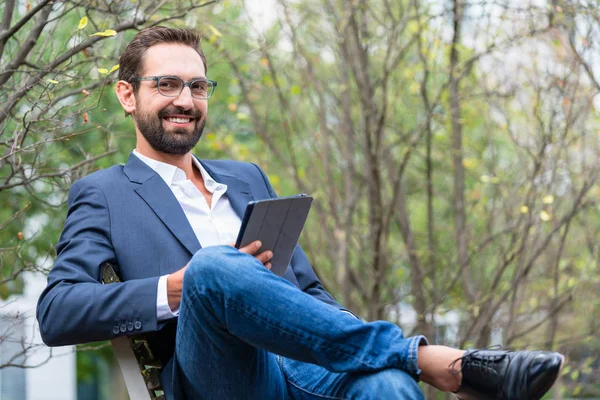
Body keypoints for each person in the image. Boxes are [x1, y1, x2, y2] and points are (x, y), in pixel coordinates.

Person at [37, 26, 564, 400]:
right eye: (167, 84)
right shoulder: (103, 194)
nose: (186, 99)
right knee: (215, 266)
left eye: (198, 86)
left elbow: (309, 292)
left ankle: (407, 364)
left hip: (305, 366)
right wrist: (177, 288)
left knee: (388, 385)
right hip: (219, 376)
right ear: (128, 96)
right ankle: (435, 361)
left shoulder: (246, 177)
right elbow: (57, 312)